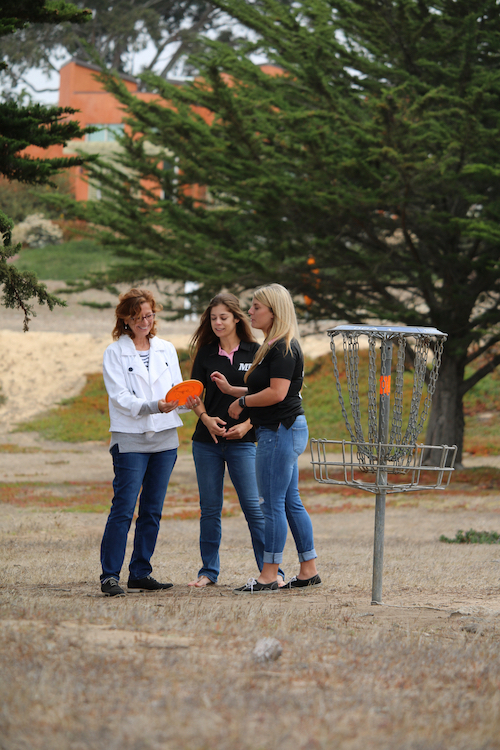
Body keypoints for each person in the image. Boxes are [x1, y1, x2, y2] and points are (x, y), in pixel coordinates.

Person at [212, 283, 321, 593]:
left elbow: (277, 393)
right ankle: (308, 569)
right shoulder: (274, 344)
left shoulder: (283, 347)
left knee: (270, 505)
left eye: (256, 307)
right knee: (289, 501)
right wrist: (235, 391)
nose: (250, 312)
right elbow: (270, 386)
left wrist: (241, 403)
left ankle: (269, 575)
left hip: (279, 431)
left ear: (274, 311)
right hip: (282, 429)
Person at [186, 293, 284, 587]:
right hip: (206, 443)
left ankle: (271, 573)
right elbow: (193, 396)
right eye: (213, 318)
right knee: (210, 509)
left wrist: (248, 425)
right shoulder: (205, 353)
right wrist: (205, 419)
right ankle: (208, 572)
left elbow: (269, 398)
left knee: (254, 508)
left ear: (237, 319)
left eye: (223, 317)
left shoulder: (257, 351)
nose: (217, 323)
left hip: (244, 441)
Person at [99, 288, 184, 597]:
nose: (144, 322)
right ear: (125, 319)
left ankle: (140, 572)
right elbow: (120, 398)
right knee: (123, 507)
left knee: (152, 509)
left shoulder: (166, 349)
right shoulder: (114, 352)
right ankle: (110, 575)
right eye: (137, 317)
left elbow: (176, 390)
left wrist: (187, 401)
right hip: (130, 438)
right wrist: (153, 405)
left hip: (165, 438)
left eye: (148, 315)